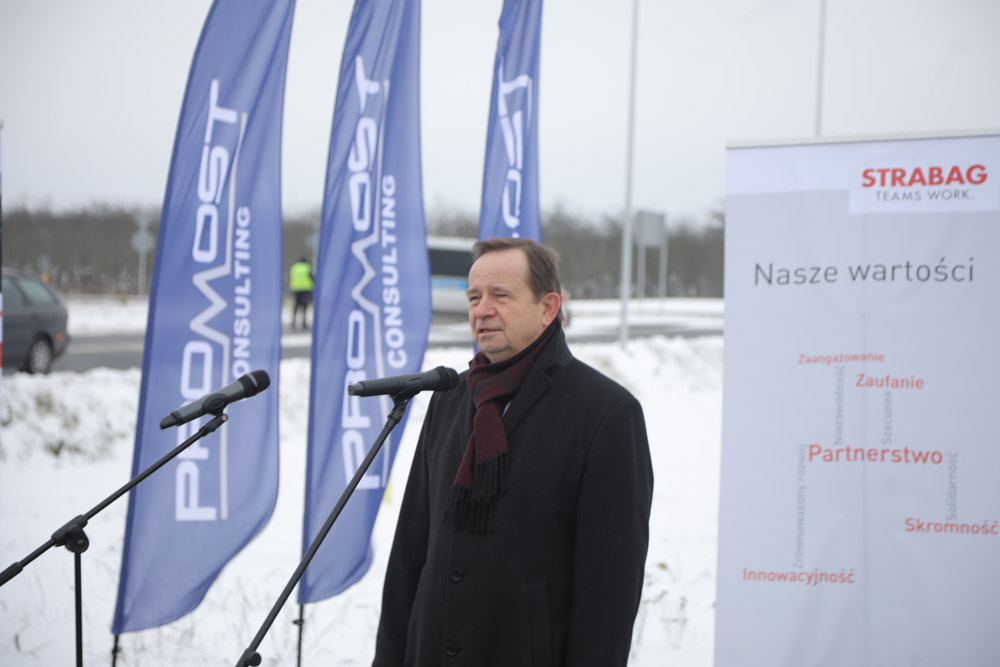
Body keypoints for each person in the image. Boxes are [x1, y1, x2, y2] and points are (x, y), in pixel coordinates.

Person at [373, 237, 653, 667]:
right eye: (474, 297)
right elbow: (410, 552)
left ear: (548, 307)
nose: (482, 310)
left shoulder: (605, 412)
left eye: (500, 296)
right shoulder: (450, 398)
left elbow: (609, 592)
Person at [288, 256, 314, 329]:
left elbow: (291, 277)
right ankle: (303, 322)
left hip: (296, 289)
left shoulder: (294, 268)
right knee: (304, 306)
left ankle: (293, 322)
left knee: (296, 305)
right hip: (305, 289)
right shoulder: (307, 268)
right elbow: (312, 278)